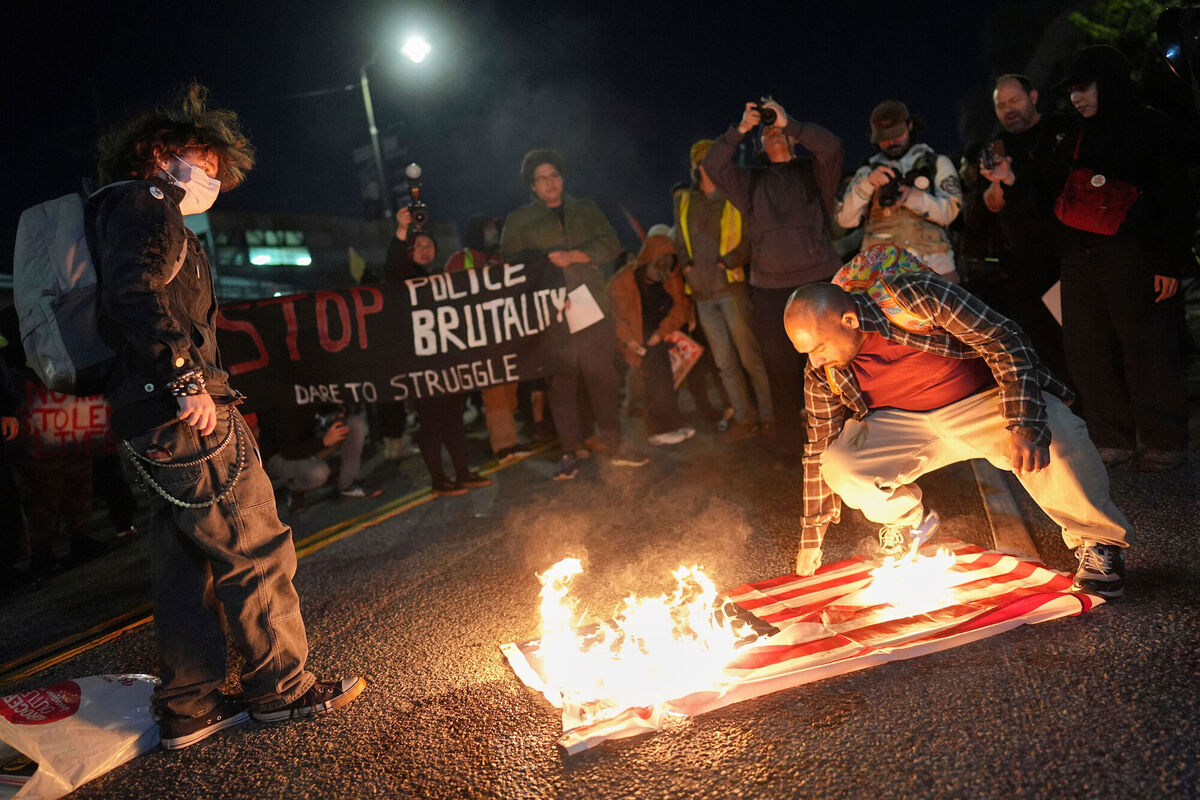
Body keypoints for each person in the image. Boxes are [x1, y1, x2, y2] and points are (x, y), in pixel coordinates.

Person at [92, 84, 364, 749]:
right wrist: (185, 378)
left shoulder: (117, 211)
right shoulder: (147, 201)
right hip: (183, 407)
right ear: (158, 155)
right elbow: (138, 290)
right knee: (253, 541)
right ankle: (283, 689)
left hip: (147, 410)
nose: (210, 180)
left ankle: (191, 704)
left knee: (186, 562)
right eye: (202, 163)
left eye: (217, 173)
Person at [783, 245, 1133, 599]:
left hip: (981, 403)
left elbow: (1004, 338)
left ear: (849, 320)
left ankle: (1097, 543)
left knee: (1053, 429)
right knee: (839, 463)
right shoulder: (822, 369)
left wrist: (1025, 422)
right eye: (807, 351)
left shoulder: (912, 295)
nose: (815, 358)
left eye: (819, 346)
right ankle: (905, 523)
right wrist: (812, 537)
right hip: (905, 426)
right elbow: (818, 447)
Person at [1015, 46, 1190, 472]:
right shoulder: (1070, 134)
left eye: (1083, 88)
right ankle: (1111, 437)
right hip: (1077, 258)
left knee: (1145, 347)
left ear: (1108, 83)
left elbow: (1177, 198)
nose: (1076, 98)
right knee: (1086, 349)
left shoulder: (1151, 126)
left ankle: (1162, 438)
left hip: (1135, 253)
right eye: (1071, 91)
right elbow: (1045, 194)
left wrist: (1170, 261)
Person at [702, 99, 844, 467]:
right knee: (780, 370)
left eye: (779, 130)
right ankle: (787, 446)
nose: (774, 133)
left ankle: (846, 441)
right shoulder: (750, 182)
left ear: (793, 139)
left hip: (818, 280)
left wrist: (791, 122)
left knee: (836, 364)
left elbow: (832, 146)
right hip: (770, 289)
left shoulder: (814, 172)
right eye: (768, 132)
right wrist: (741, 129)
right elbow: (712, 165)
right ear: (760, 144)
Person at [500, 148, 649, 479]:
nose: (550, 183)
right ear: (533, 186)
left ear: (562, 178)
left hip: (590, 303)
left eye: (554, 175)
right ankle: (569, 451)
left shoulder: (586, 209)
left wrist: (578, 255)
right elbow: (508, 264)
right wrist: (544, 268)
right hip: (551, 310)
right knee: (561, 383)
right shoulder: (520, 221)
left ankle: (614, 442)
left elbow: (612, 244)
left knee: (602, 376)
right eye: (542, 178)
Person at [385, 216, 494, 496]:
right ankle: (438, 480)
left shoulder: (441, 279)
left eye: (428, 244)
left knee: (454, 420)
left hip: (448, 363)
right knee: (432, 423)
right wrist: (401, 230)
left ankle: (462, 472)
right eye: (417, 245)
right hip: (421, 365)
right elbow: (394, 265)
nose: (424, 249)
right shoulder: (404, 279)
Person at [976, 74, 1075, 381]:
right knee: (1044, 339)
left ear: (1033, 96)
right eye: (1001, 104)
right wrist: (998, 182)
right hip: (1025, 258)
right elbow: (992, 203)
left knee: (1080, 330)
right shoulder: (998, 145)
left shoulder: (1064, 128)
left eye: (1014, 100)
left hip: (1070, 249)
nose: (1008, 109)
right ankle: (1073, 404)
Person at [675, 140, 772, 443]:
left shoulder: (734, 197)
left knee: (749, 357)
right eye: (710, 160)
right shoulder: (686, 200)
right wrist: (688, 268)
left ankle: (770, 418)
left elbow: (750, 240)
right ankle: (745, 418)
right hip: (703, 295)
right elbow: (679, 240)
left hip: (731, 288)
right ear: (698, 165)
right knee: (724, 363)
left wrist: (725, 263)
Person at [836, 101, 964, 283]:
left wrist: (913, 197)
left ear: (910, 126)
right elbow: (845, 220)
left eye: (896, 134)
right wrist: (868, 185)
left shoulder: (936, 163)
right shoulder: (867, 172)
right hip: (881, 274)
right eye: (884, 137)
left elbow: (951, 213)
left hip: (935, 268)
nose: (892, 141)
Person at [444, 215, 534, 464]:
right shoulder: (460, 260)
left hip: (504, 337)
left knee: (509, 391)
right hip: (481, 341)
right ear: (479, 233)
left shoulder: (498, 260)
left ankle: (510, 440)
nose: (496, 234)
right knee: (494, 393)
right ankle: (504, 446)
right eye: (492, 230)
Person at [608, 231, 695, 446]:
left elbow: (681, 307)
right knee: (656, 380)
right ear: (646, 262)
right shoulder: (621, 282)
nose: (661, 275)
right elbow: (616, 318)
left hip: (660, 333)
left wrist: (660, 333)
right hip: (638, 337)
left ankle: (672, 423)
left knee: (667, 379)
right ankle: (659, 430)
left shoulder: (669, 270)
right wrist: (630, 341)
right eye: (656, 270)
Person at [255, 403, 379, 514]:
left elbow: (325, 406)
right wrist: (324, 442)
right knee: (318, 473)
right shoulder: (284, 402)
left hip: (310, 441)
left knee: (354, 424)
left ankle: (347, 483)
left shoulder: (309, 387)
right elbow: (289, 450)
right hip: (281, 456)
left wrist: (339, 410)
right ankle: (296, 489)